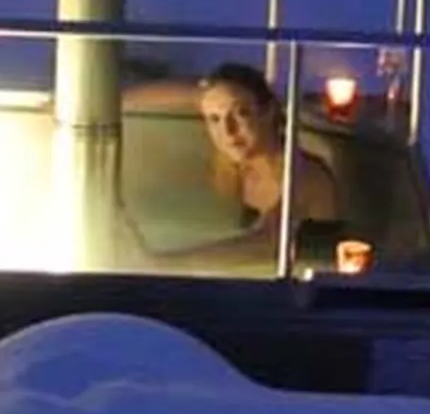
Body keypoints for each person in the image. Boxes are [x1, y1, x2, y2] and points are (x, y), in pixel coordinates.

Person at [120, 63, 342, 267]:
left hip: (298, 294)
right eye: (214, 119)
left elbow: (269, 242)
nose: (227, 131)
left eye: (241, 113)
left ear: (268, 112)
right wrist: (101, 101)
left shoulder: (307, 176)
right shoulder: (231, 165)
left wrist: (161, 264)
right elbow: (179, 96)